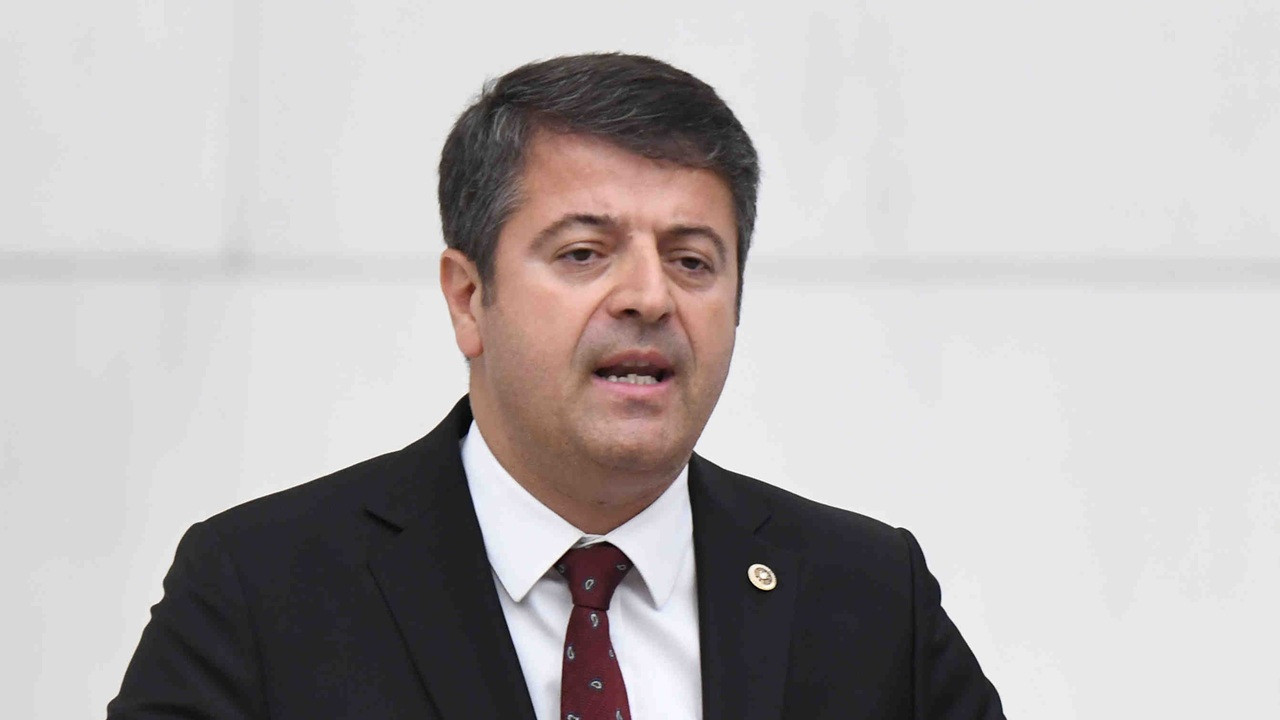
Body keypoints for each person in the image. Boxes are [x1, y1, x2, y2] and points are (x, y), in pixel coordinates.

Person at [108, 53, 1005, 719]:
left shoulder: (867, 595)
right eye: (584, 253)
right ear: (469, 299)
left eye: (693, 260)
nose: (650, 297)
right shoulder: (261, 591)